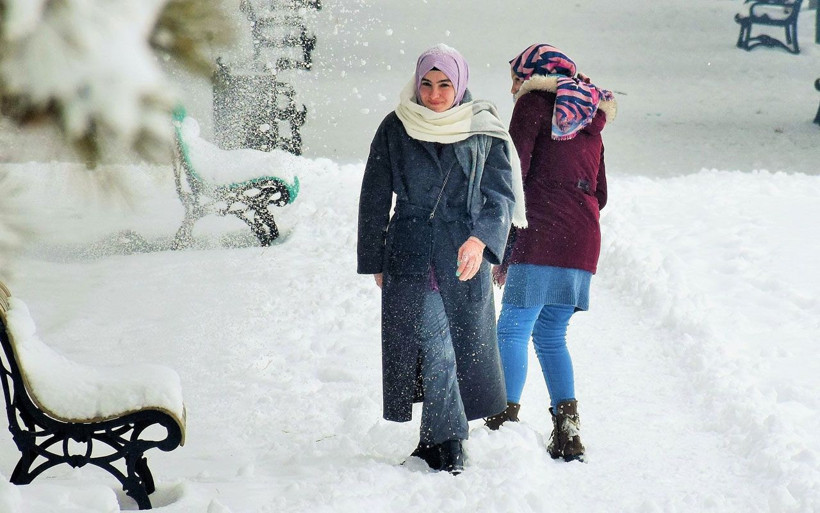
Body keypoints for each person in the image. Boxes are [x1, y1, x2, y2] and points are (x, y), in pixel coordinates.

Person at [357, 43, 527, 474]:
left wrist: (479, 241)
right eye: (427, 84)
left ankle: (440, 441)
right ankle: (446, 441)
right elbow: (375, 195)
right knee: (436, 346)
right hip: (410, 251)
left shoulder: (482, 128)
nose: (434, 95)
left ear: (460, 84)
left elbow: (500, 196)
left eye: (444, 85)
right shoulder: (396, 126)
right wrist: (374, 256)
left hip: (462, 253)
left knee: (451, 348)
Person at [484, 43, 617, 463]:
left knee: (512, 328)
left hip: (541, 229)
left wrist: (501, 241)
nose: (512, 88)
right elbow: (601, 192)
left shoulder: (533, 105)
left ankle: (500, 421)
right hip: (582, 238)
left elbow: (513, 174)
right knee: (550, 334)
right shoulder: (589, 114)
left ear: (531, 74)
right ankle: (568, 427)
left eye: (514, 77)